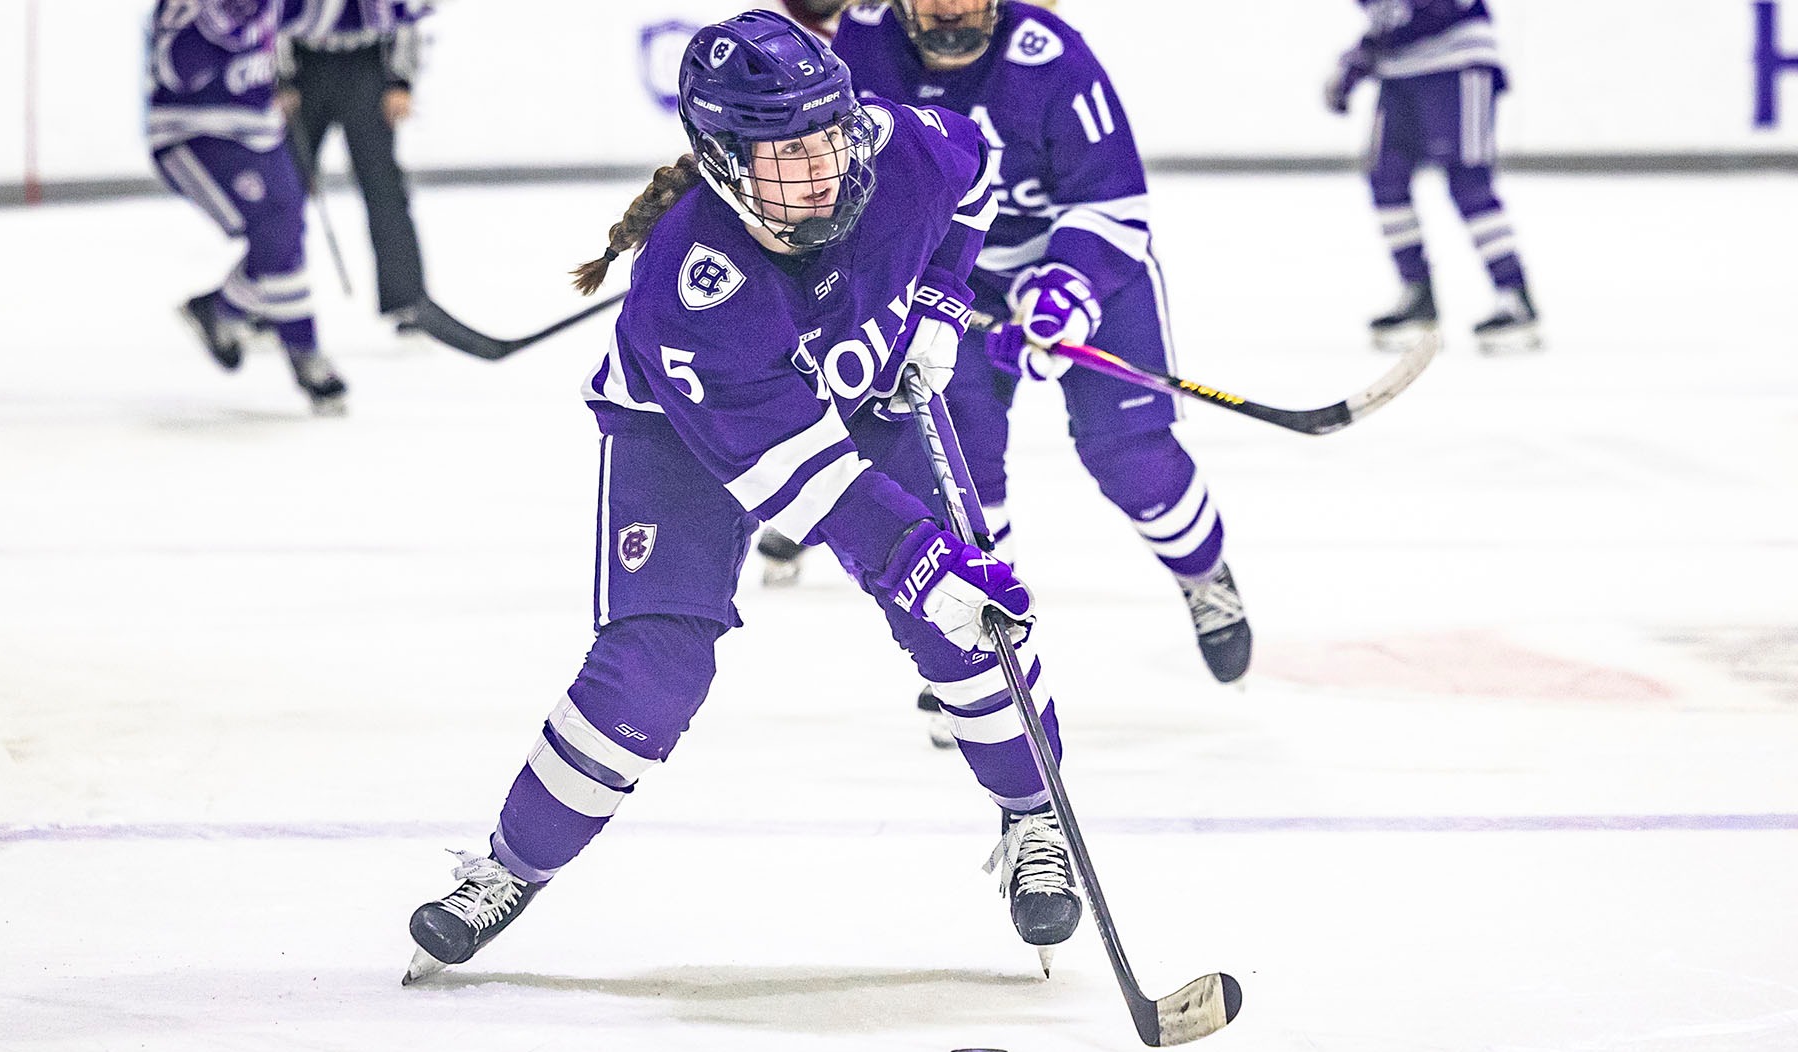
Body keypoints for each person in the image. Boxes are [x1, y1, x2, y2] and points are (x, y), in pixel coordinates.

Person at [403, 10, 1086, 983]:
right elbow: (800, 481)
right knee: (654, 666)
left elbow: (975, 168)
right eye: (784, 157)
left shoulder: (898, 150)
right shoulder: (688, 290)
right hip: (683, 437)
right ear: (721, 161)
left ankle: (1034, 816)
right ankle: (510, 867)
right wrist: (917, 559)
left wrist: (936, 303)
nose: (822, 172)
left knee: (967, 625)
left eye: (826, 138)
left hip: (862, 391)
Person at [784, 0, 1251, 749]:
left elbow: (1114, 202)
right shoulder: (863, 44)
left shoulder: (1049, 55)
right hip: (949, 275)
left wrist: (1066, 285)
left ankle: (1205, 575)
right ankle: (978, 652)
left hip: (1084, 269)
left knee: (1132, 457)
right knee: (956, 463)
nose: (951, 8)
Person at [148, 0, 347, 415]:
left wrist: (399, 8)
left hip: (261, 133)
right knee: (275, 231)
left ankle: (222, 310)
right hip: (194, 135)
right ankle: (303, 350)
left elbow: (322, 16)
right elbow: (175, 70)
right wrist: (221, 22)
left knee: (286, 232)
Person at [1325, 0, 1541, 353]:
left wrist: (1371, 51)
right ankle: (1417, 294)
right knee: (1386, 180)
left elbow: (1439, 10)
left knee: (1469, 184)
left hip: (1456, 64)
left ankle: (1514, 295)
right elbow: (1387, 20)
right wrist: (1358, 61)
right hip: (1398, 76)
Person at [276, 0, 431, 332]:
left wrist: (400, 80)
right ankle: (267, 300)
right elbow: (268, 14)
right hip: (306, 69)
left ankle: (407, 301)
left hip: (366, 68)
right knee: (283, 193)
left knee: (384, 188)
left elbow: (406, 13)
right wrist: (279, 78)